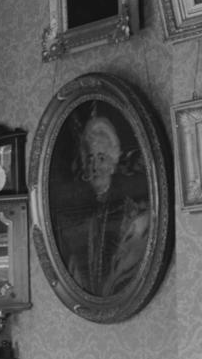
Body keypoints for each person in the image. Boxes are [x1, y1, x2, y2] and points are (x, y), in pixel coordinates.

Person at [53, 108, 150, 297]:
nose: (95, 166)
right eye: (90, 158)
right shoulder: (81, 209)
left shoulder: (129, 208)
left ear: (113, 163)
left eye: (101, 158)